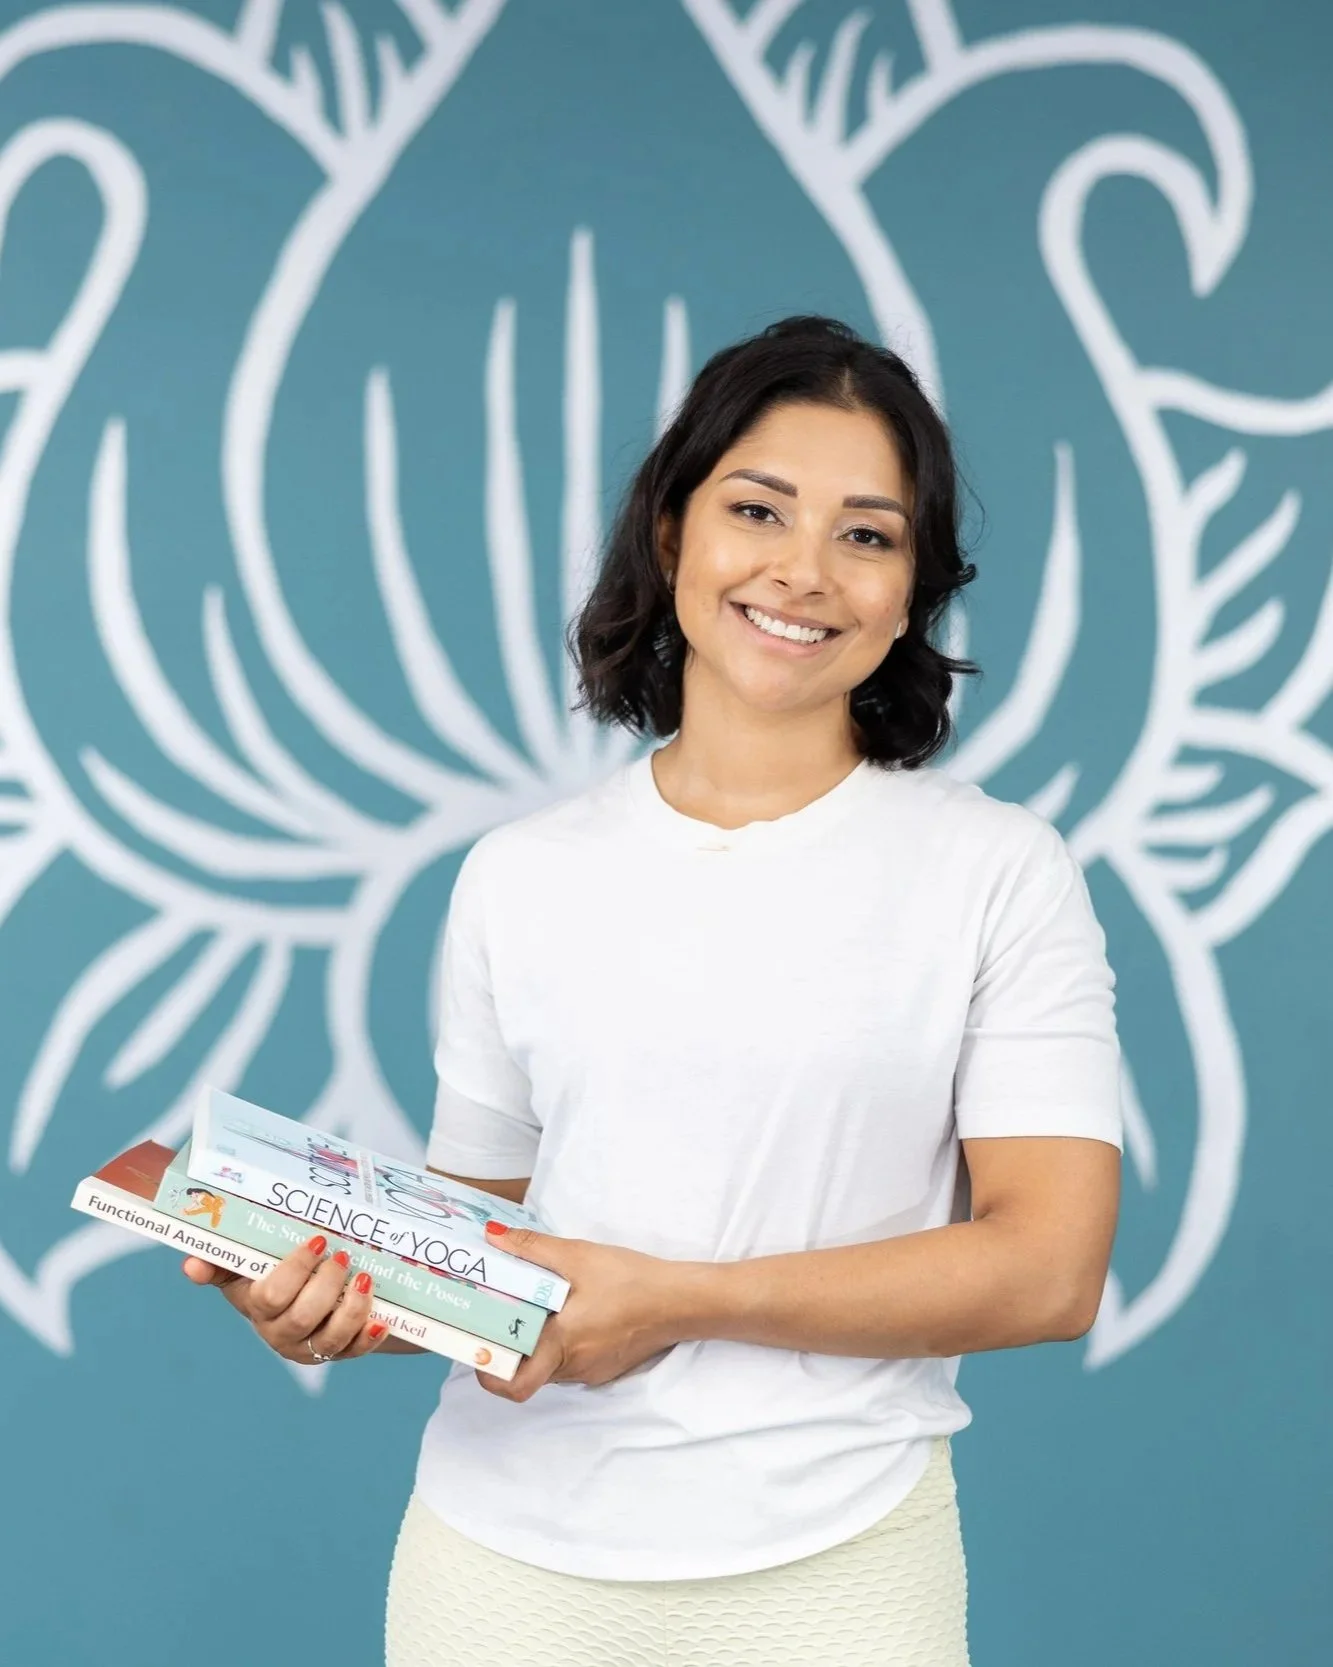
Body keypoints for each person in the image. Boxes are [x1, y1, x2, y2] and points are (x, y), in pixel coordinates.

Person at [183, 315, 1122, 1666]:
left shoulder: (1000, 874)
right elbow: (499, 1253)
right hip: (499, 1562)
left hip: (838, 1556)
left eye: (868, 533)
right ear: (673, 535)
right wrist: (340, 1297)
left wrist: (678, 1297)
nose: (803, 571)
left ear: (914, 587)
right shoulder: (519, 877)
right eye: (758, 510)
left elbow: (1049, 1267)